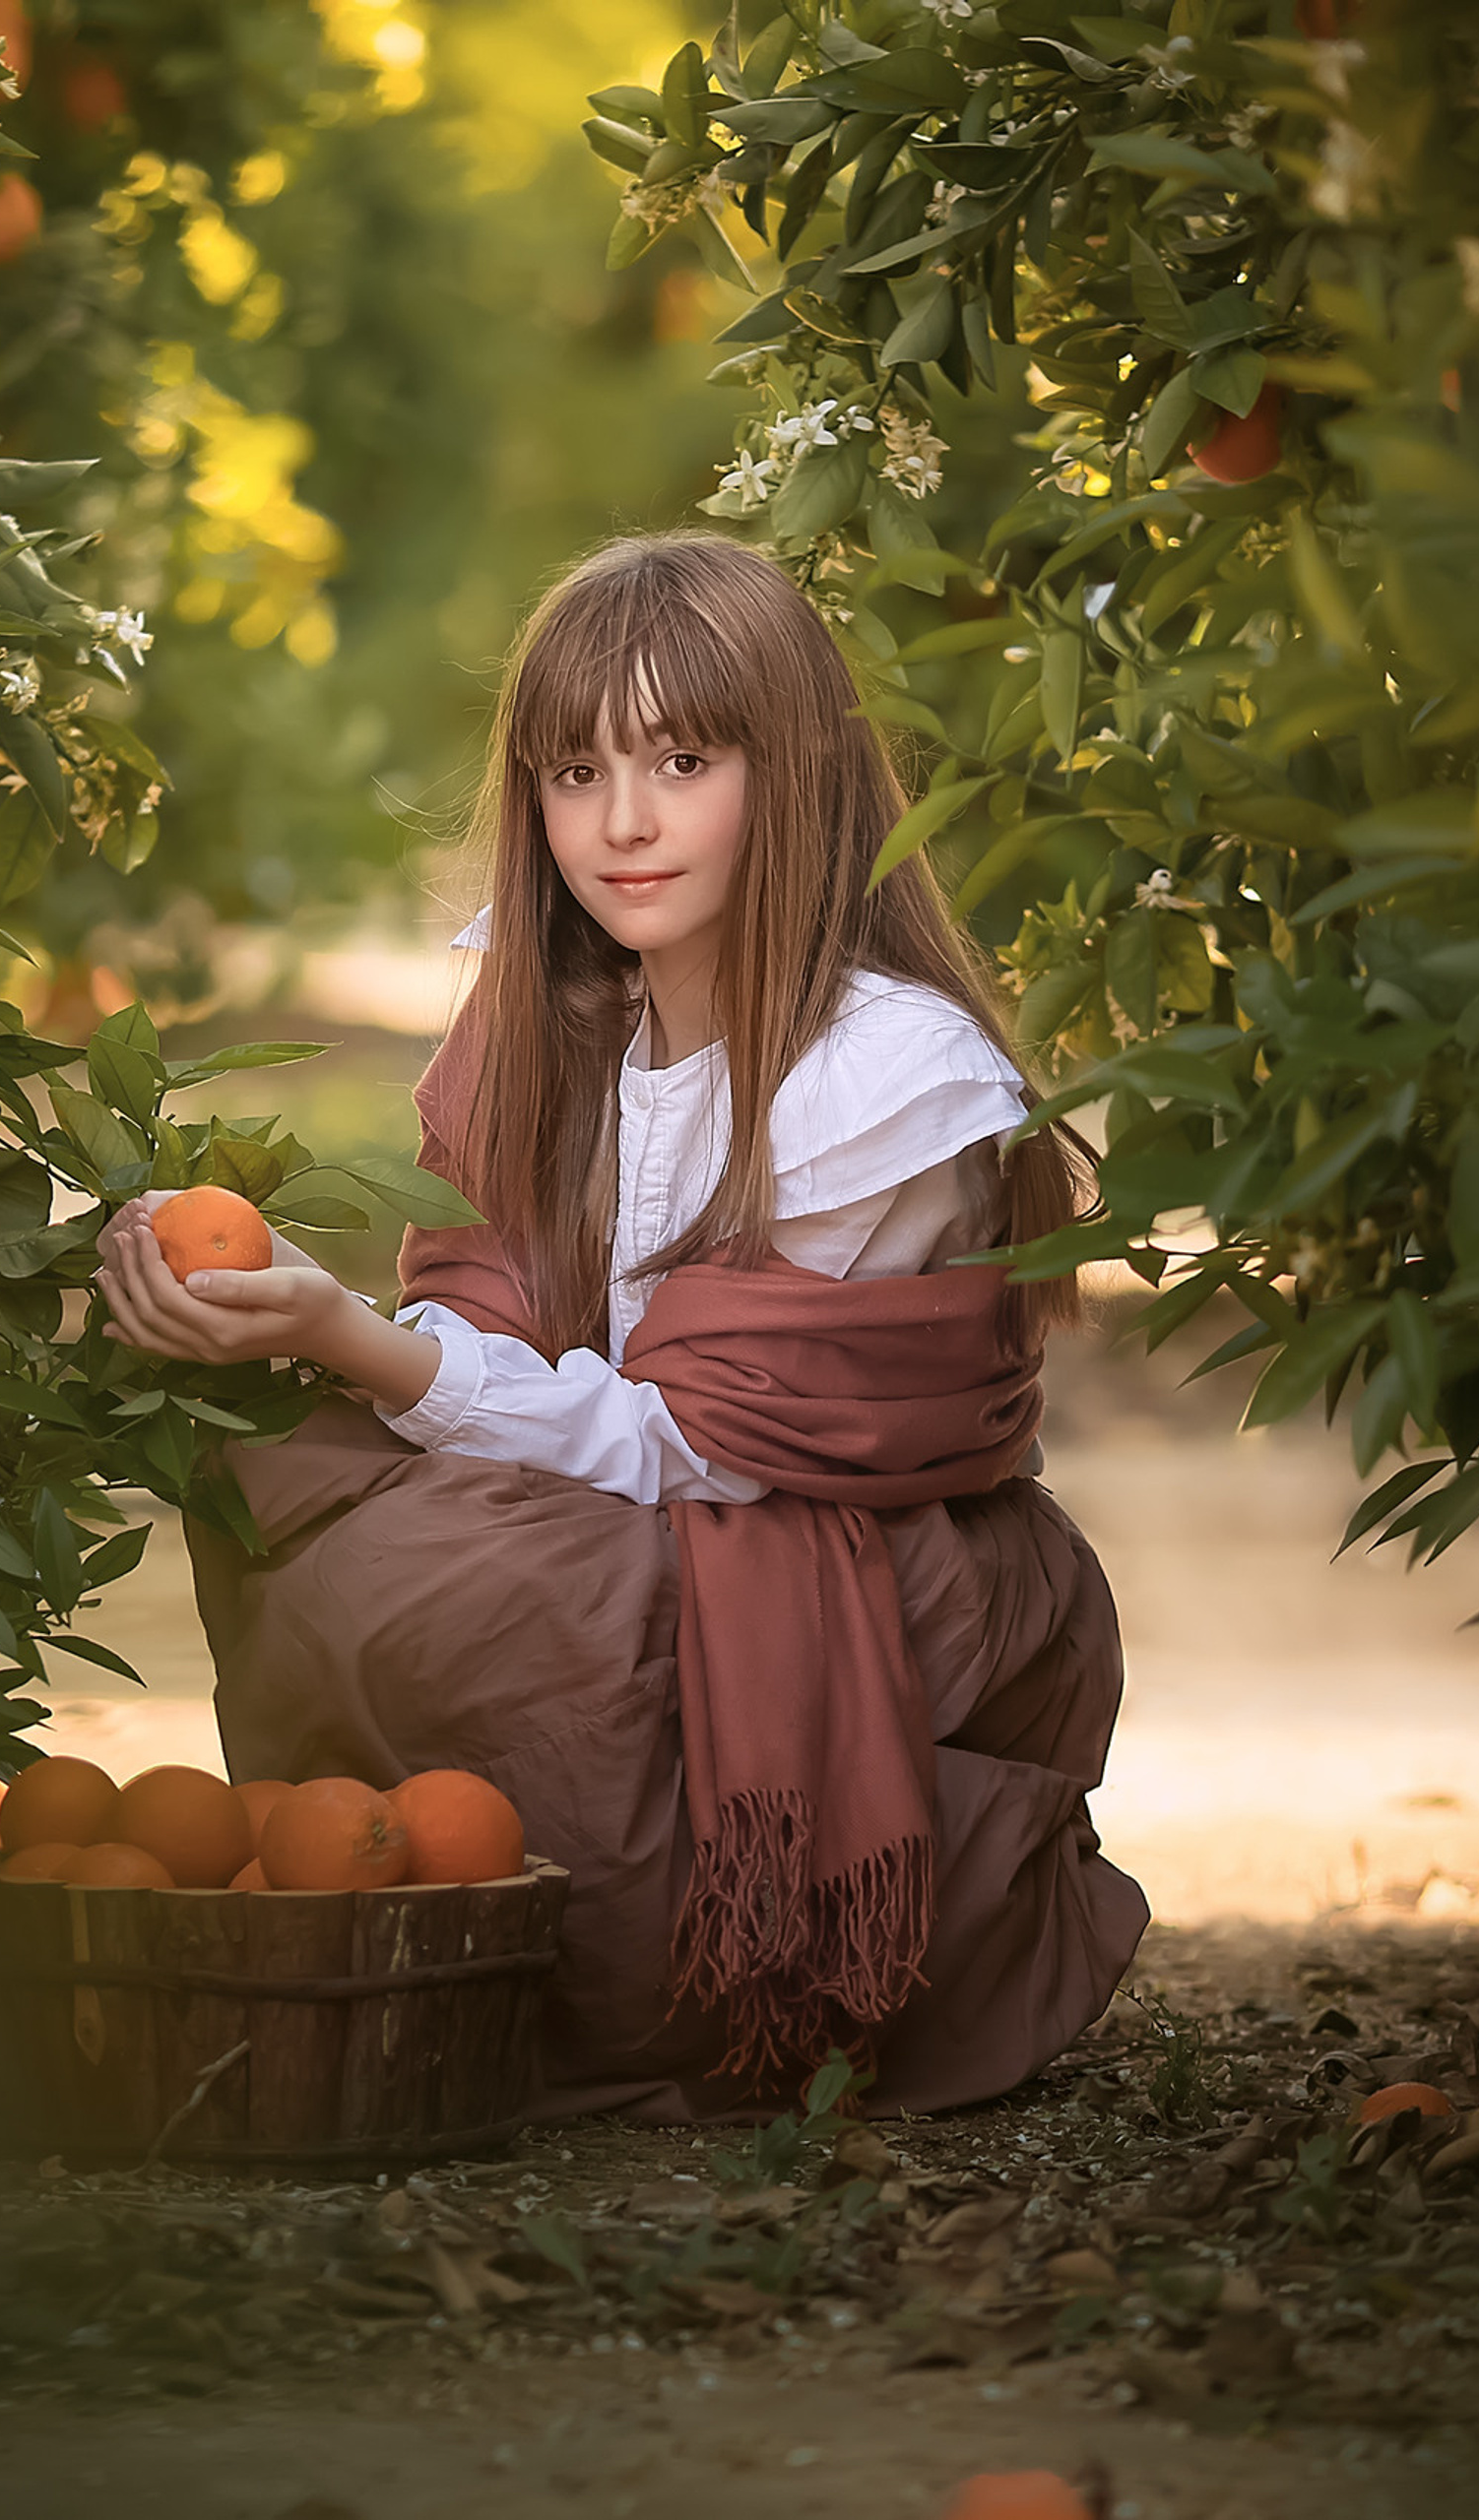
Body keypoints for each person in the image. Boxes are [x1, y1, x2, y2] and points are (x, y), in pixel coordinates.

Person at [94, 531, 1146, 2119]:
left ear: (789, 774)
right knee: (285, 1464)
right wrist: (246, 1308)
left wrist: (364, 1344)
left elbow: (712, 1438)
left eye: (683, 758)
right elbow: (503, 1335)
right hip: (648, 1511)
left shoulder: (889, 1085)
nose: (624, 823)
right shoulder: (566, 1035)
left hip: (865, 1568)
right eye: (575, 772)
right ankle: (476, 1918)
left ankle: (662, 1966)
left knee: (458, 1580)